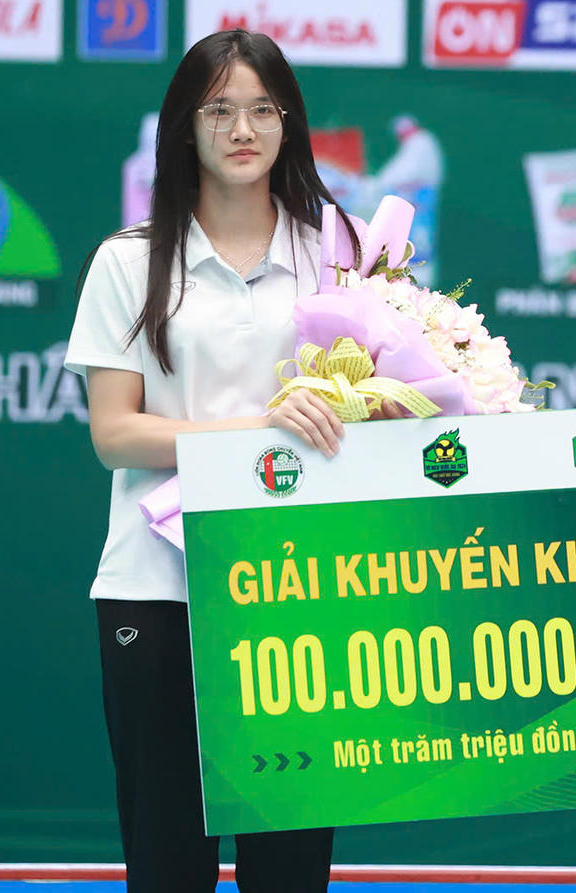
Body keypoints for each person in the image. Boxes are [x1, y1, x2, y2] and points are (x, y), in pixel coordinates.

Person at [65, 29, 376, 892]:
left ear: (289, 123)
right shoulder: (128, 260)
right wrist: (258, 432)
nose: (242, 130)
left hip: (302, 585)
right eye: (219, 111)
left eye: (262, 110)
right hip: (157, 584)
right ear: (184, 126)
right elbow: (113, 434)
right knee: (167, 857)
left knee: (290, 863)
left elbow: (384, 406)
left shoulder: (340, 249)